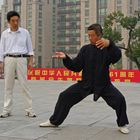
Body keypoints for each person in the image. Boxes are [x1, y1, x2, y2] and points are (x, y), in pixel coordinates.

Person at [39, 23, 129, 134]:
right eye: (89, 35)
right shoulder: (86, 49)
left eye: (92, 35)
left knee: (120, 99)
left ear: (99, 35)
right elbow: (76, 66)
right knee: (64, 96)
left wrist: (110, 44)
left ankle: (122, 124)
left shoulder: (107, 49)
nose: (90, 38)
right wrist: (66, 58)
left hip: (103, 85)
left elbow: (117, 56)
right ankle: (54, 121)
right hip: (85, 84)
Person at [0, 11, 36, 118]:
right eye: (13, 21)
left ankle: (29, 109)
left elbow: (30, 48)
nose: (15, 23)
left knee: (24, 84)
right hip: (9, 59)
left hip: (21, 59)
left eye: (17, 20)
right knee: (8, 85)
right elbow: (1, 49)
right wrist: (1, 63)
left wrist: (30, 61)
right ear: (8, 22)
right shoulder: (5, 34)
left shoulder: (25, 32)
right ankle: (6, 110)